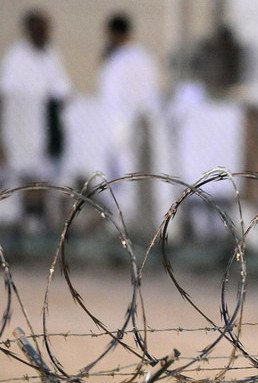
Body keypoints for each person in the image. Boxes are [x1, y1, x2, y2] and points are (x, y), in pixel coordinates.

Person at [0, 9, 72, 228]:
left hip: (48, 124)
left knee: (48, 173)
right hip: (22, 124)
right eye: (39, 28)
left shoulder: (52, 55)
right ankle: (21, 218)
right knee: (22, 171)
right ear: (29, 30)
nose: (44, 33)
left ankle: (44, 218)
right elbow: (8, 91)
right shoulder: (16, 57)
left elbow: (62, 87)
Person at [98, 12, 164, 230]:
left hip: (123, 125)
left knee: (122, 177)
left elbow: (112, 98)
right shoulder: (143, 57)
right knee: (136, 177)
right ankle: (135, 222)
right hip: (143, 125)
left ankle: (122, 224)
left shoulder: (119, 60)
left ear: (114, 34)